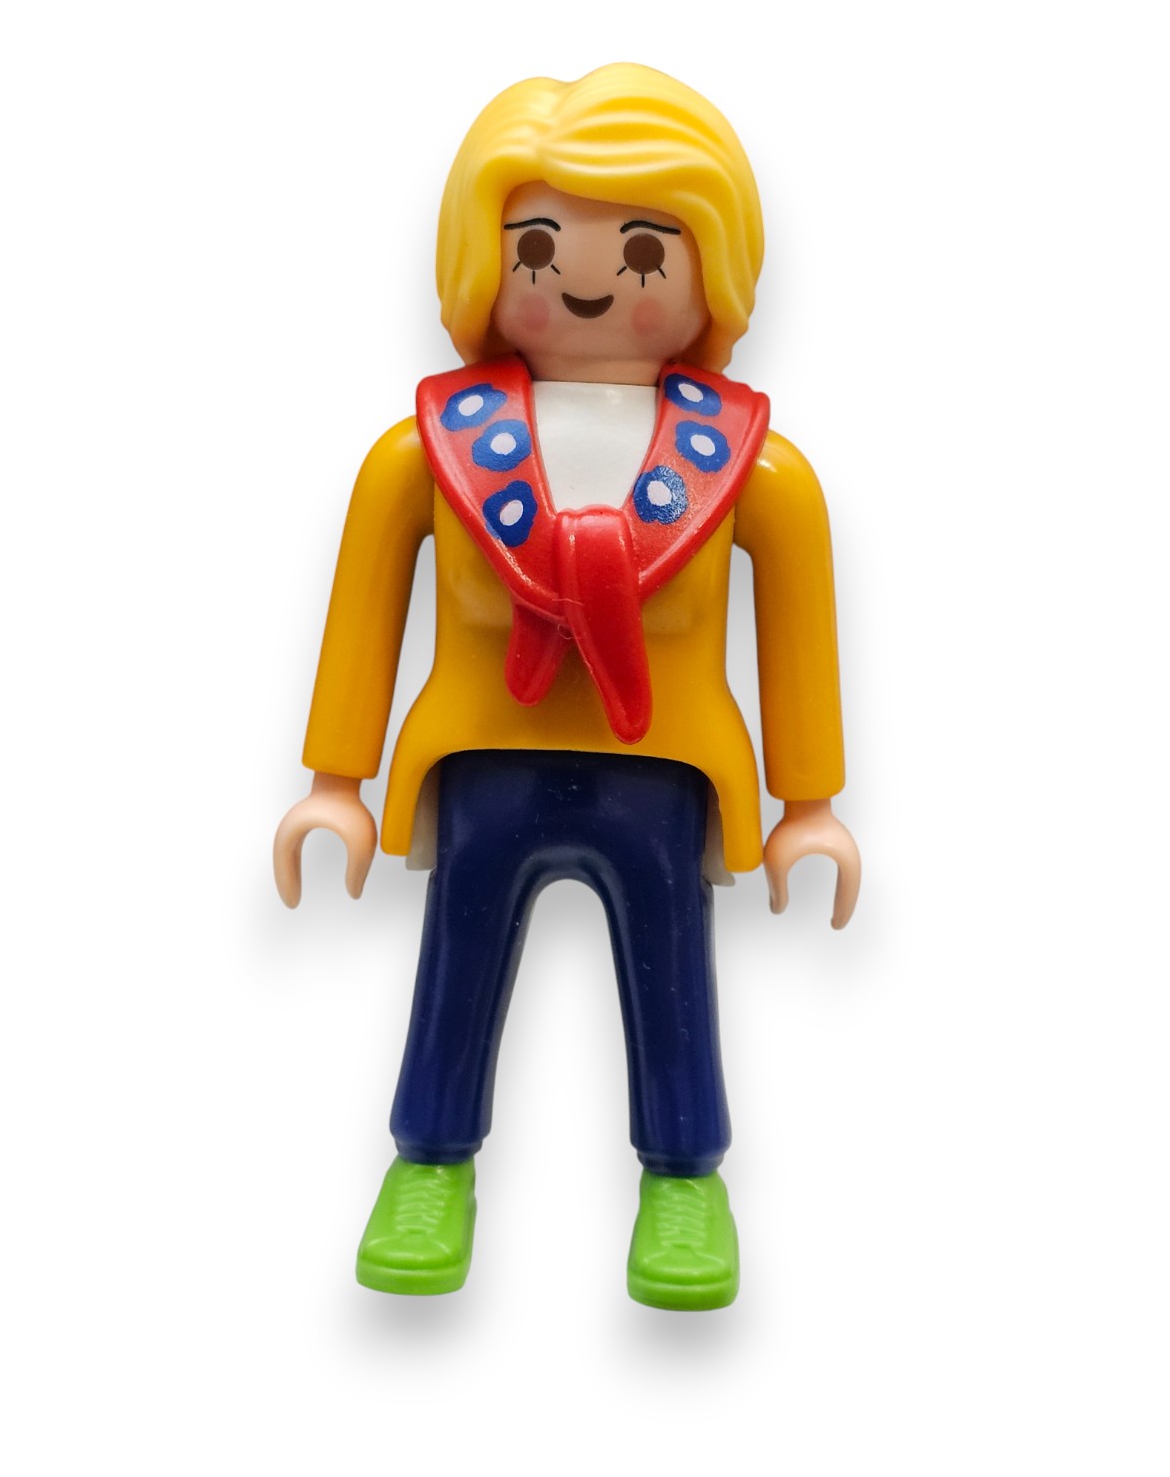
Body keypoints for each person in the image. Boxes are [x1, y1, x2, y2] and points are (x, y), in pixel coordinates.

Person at [273, 63, 860, 1310]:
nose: (587, 279)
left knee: (674, 970)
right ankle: (429, 1160)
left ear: (711, 269)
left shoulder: (753, 468)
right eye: (535, 245)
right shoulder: (425, 452)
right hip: (482, 760)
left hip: (665, 774)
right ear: (481, 262)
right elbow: (362, 607)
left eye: (645, 252)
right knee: (455, 961)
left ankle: (684, 1177)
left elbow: (798, 621)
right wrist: (334, 781)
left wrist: (808, 803)